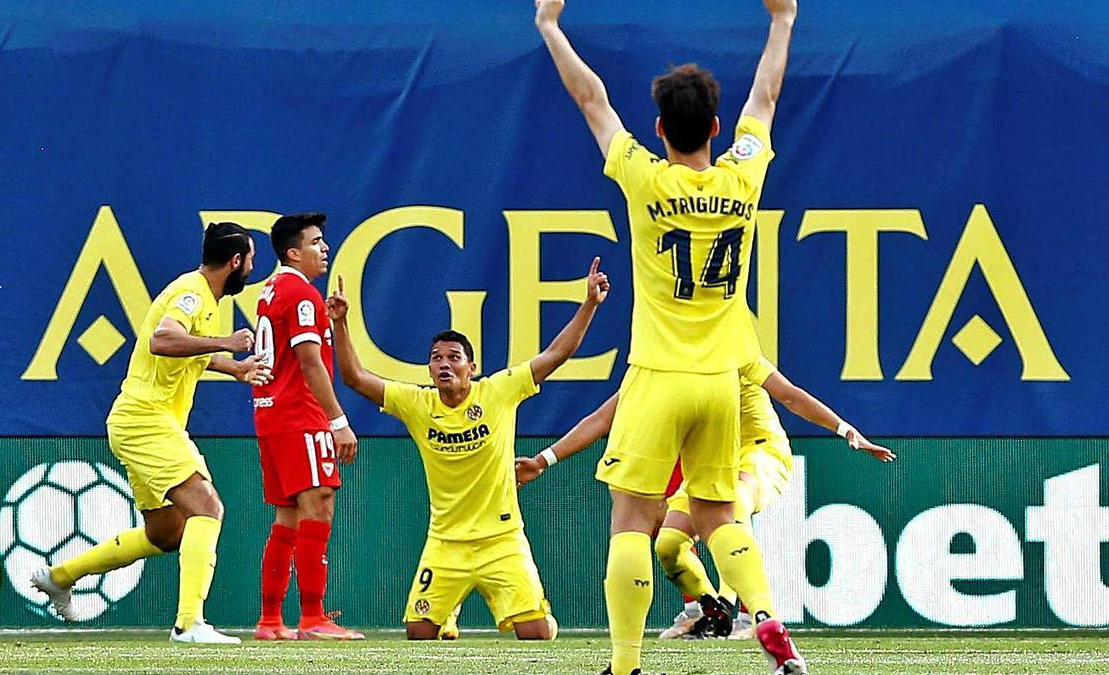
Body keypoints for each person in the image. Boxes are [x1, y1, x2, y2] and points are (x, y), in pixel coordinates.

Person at [535, 0, 800, 671]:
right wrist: (783, 20)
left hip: (656, 374)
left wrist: (549, 26)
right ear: (716, 125)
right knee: (718, 518)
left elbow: (590, 97)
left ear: (658, 128)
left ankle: (624, 664)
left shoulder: (643, 177)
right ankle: (765, 616)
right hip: (720, 384)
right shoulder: (743, 174)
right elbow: (766, 94)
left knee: (632, 520)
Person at [515, 357, 896, 640]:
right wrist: (544, 460)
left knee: (734, 505)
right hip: (711, 463)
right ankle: (707, 610)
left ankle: (753, 616)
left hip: (759, 452)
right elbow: (602, 419)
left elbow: (791, 397)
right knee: (668, 544)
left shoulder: (734, 350)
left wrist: (848, 431)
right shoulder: (659, 365)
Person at [330, 259, 610, 640]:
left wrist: (590, 304)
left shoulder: (498, 391)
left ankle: (540, 616)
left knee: (537, 636)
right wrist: (340, 323)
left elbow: (557, 353)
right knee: (419, 634)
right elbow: (355, 377)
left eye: (453, 358)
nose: (444, 365)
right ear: (429, 370)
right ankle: (445, 615)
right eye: (436, 359)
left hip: (502, 538)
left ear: (471, 367)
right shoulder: (417, 404)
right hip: (445, 542)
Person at [31, 222, 271, 644]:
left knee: (166, 533)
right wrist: (227, 343)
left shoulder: (204, 297)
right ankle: (189, 624)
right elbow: (164, 340)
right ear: (235, 262)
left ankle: (59, 576)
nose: (252, 268)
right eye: (250, 260)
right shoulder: (192, 293)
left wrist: (233, 367)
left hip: (137, 421)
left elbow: (182, 350)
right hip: (147, 419)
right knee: (207, 508)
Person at [250, 213, 364, 641]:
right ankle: (314, 618)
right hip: (301, 416)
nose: (325, 248)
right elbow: (310, 361)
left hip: (271, 415)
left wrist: (332, 321)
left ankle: (270, 621)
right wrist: (338, 421)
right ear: (293, 252)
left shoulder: (272, 289)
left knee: (288, 517)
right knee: (319, 505)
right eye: (316, 242)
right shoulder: (300, 291)